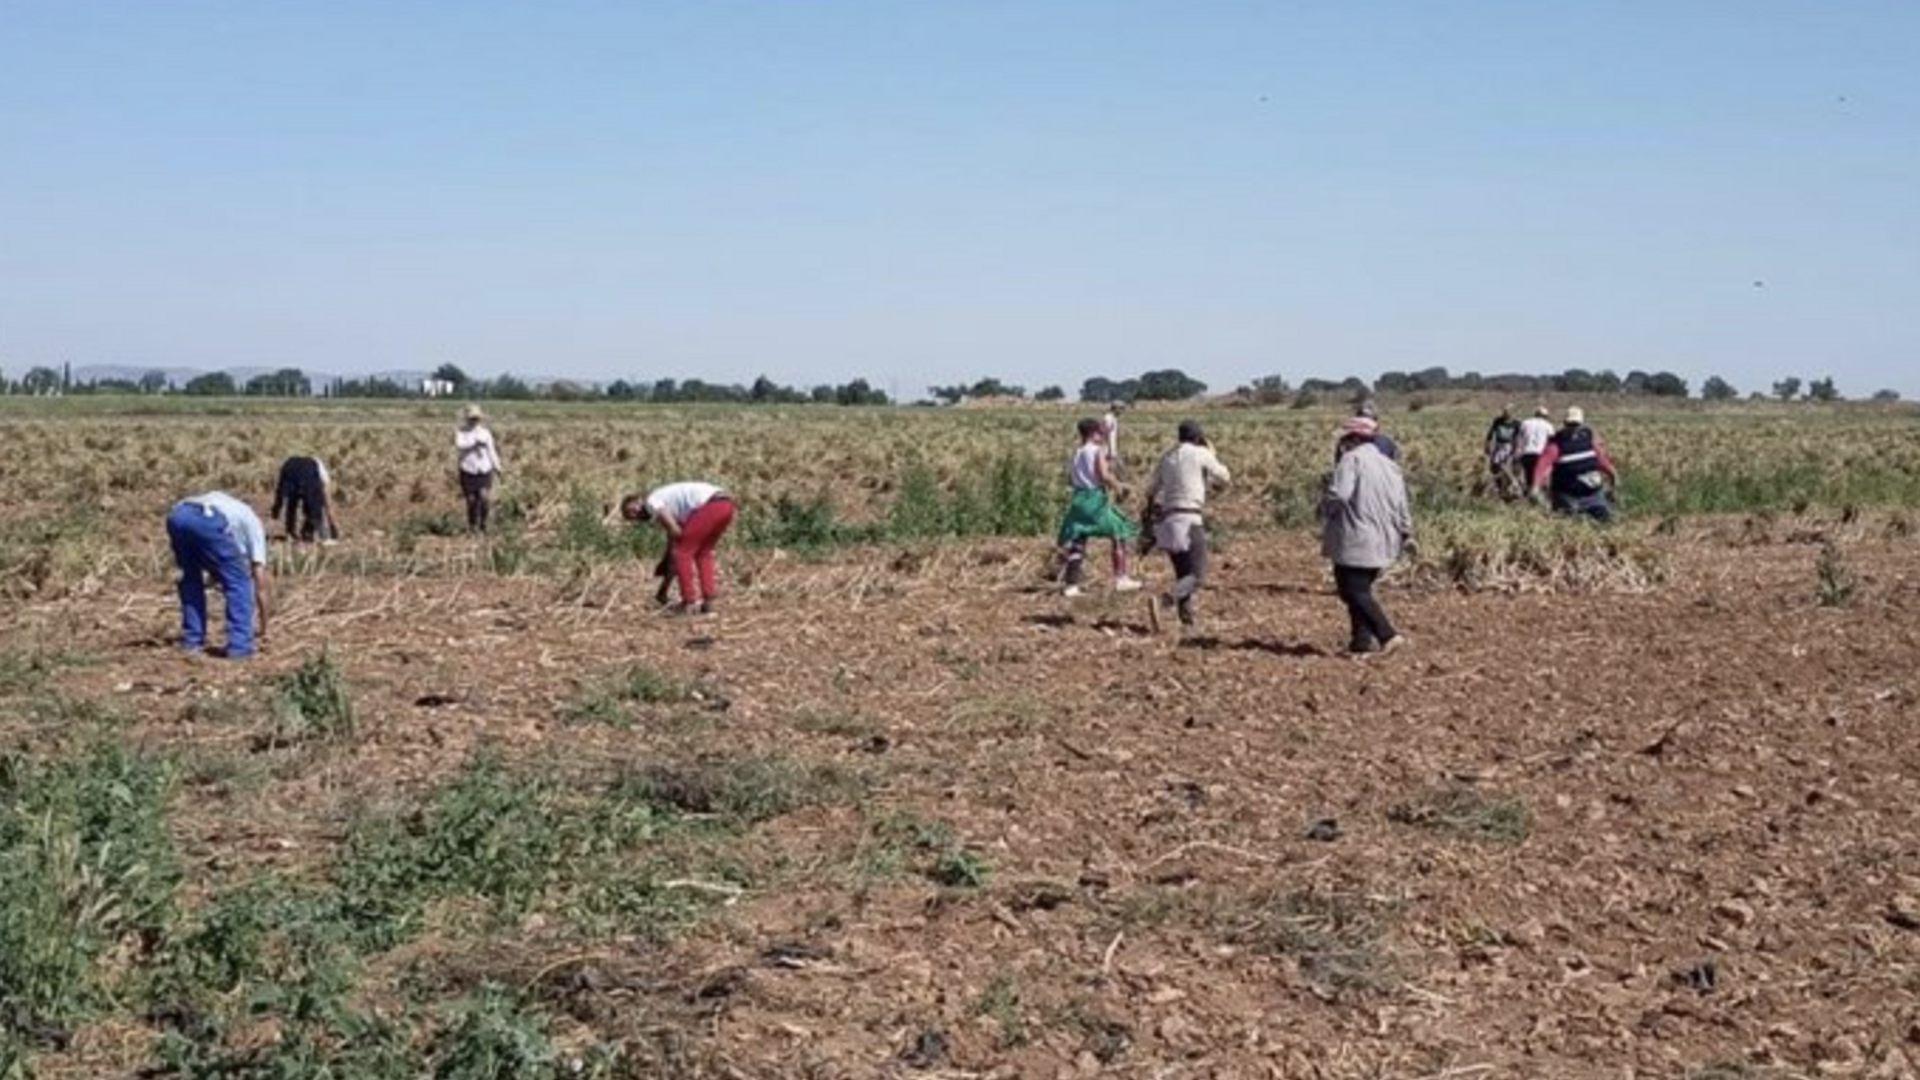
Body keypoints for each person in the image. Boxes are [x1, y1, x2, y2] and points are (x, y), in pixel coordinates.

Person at [1320, 417, 1413, 656]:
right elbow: (1402, 504)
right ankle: (1360, 642)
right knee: (1359, 588)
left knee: (1352, 590)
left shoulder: (1352, 460)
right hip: (1385, 538)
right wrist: (1406, 532)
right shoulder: (1389, 465)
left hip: (1357, 536)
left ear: (1351, 439)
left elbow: (1340, 495)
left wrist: (1324, 508)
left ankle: (1387, 634)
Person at [1142, 420, 1231, 634]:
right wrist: (1212, 454)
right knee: (1198, 576)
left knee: (1184, 575)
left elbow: (1150, 490)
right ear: (1198, 437)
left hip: (1168, 521)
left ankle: (1188, 624)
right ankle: (1165, 600)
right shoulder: (1201, 454)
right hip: (1190, 520)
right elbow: (1224, 477)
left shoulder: (1167, 457)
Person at [165, 492, 271, 659]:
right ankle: (240, 647)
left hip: (177, 515)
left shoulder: (235, 511)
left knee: (190, 579)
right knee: (240, 583)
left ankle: (192, 642)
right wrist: (264, 627)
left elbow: (215, 562)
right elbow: (260, 584)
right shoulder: (255, 530)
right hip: (207, 519)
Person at [1056, 418, 1141, 597]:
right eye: (1100, 433)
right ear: (1094, 433)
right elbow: (1103, 474)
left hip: (1078, 498)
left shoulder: (1077, 452)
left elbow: (1071, 479)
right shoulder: (1096, 451)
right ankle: (1121, 578)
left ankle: (1071, 585)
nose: (1102, 436)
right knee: (1119, 530)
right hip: (1094, 498)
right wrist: (1119, 486)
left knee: (1079, 536)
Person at [621, 482, 736, 614]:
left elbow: (675, 531)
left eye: (632, 510)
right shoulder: (667, 503)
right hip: (726, 505)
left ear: (639, 499)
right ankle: (708, 600)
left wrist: (675, 553)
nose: (635, 515)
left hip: (710, 505)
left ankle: (689, 602)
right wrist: (666, 561)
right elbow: (674, 537)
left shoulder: (651, 501)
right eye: (632, 517)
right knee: (702, 553)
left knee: (682, 554)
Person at [1530, 406, 1618, 522]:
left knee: (1607, 520)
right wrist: (1535, 487)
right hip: (1567, 496)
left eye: (1575, 425)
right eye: (1570, 424)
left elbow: (1602, 460)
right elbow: (1542, 464)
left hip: (1593, 494)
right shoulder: (1556, 444)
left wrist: (1613, 478)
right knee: (1571, 521)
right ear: (1565, 423)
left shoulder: (1588, 440)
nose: (1573, 428)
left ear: (1581, 425)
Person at [454, 406, 504, 533]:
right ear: (467, 419)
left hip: (484, 469)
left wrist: (497, 466)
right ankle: (472, 525)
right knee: (471, 500)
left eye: (476, 418)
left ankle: (483, 524)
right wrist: (474, 442)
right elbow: (460, 445)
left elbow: (492, 451)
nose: (474, 421)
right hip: (467, 469)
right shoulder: (462, 432)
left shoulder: (485, 433)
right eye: (471, 418)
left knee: (484, 497)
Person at [270, 455, 339, 542]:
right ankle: (324, 537)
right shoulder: (323, 477)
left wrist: (277, 508)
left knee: (291, 503)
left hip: (289, 467)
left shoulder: (313, 464)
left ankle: (290, 533)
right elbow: (327, 503)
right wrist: (333, 525)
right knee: (315, 505)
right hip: (307, 471)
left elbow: (280, 489)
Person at [1483, 406, 1523, 499]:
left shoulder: (1516, 424)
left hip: (1509, 447)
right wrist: (1487, 445)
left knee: (1505, 467)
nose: (1506, 414)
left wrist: (1516, 449)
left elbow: (1518, 437)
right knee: (1494, 467)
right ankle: (1499, 488)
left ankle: (1513, 487)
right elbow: (1490, 433)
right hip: (1498, 446)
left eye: (1508, 412)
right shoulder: (1498, 421)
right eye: (1505, 412)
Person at [1515, 405, 1556, 490]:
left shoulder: (1525, 423)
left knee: (1528, 475)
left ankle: (1529, 493)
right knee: (1539, 476)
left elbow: (1519, 439)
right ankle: (1536, 494)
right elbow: (1552, 443)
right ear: (1545, 416)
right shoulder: (1548, 426)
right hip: (1540, 454)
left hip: (1526, 453)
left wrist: (1517, 452)